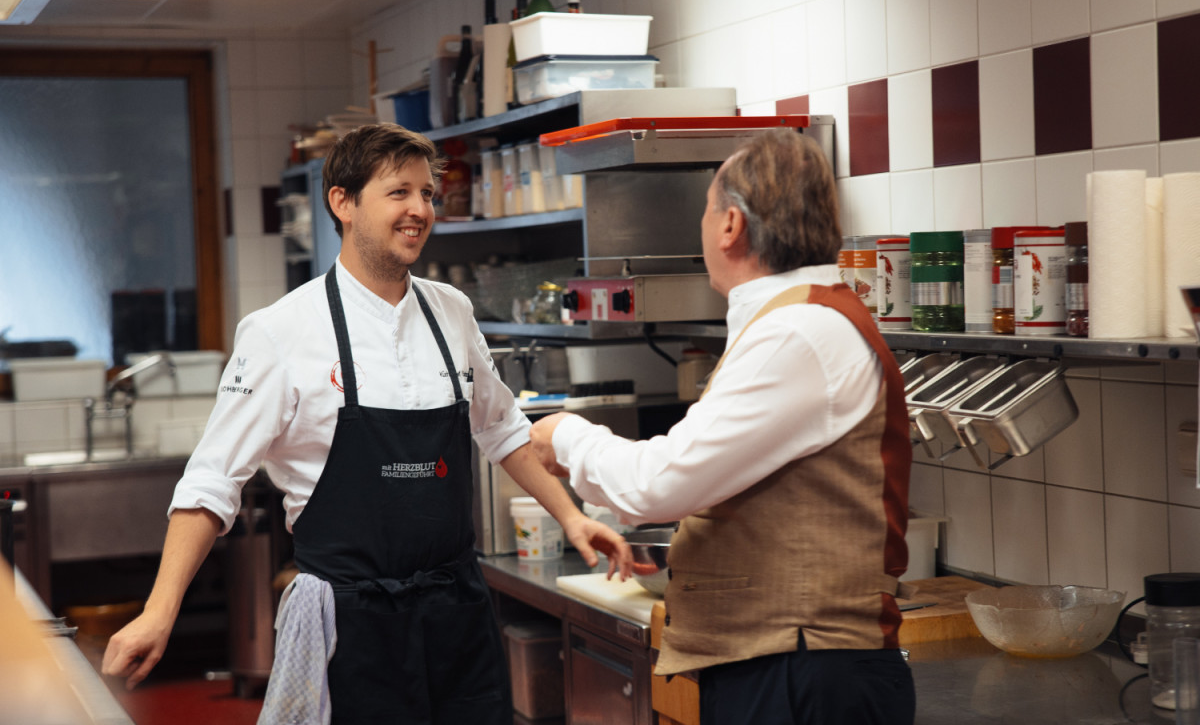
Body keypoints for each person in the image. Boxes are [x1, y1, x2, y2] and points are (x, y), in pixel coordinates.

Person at [102, 123, 632, 724]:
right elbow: (210, 483)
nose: (420, 210)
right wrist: (159, 610)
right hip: (350, 627)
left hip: (456, 613)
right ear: (343, 202)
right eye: (399, 192)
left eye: (428, 194)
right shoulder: (281, 331)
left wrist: (573, 518)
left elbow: (504, 430)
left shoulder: (452, 313)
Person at [529, 129, 916, 725]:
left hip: (807, 670)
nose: (704, 228)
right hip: (786, 662)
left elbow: (655, 485)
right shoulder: (791, 320)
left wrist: (568, 436)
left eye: (707, 212)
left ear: (731, 225)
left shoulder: (799, 333)